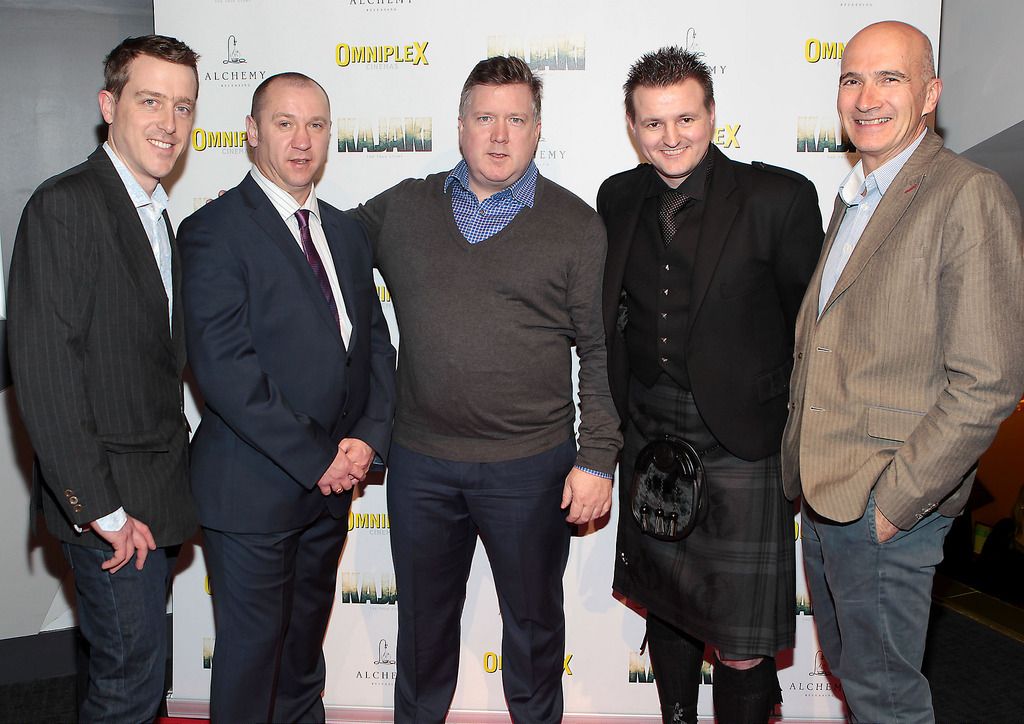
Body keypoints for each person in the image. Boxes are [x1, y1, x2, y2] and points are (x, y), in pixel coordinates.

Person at [351, 56, 621, 723]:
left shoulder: (575, 225)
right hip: (420, 464)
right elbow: (312, 249)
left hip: (531, 468)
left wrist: (597, 459)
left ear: (537, 130)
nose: (499, 136)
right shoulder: (400, 209)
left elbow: (600, 350)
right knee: (421, 637)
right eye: (484, 118)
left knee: (532, 635)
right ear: (462, 124)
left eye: (516, 120)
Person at [782, 20, 1024, 724]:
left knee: (887, 702)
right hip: (827, 495)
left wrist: (895, 504)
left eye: (890, 77)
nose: (866, 96)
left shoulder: (967, 195)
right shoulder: (857, 195)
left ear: (930, 94)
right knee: (861, 686)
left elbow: (989, 381)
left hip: (886, 504)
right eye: (851, 78)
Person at [599, 47, 823, 723]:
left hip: (740, 439)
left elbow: (806, 326)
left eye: (686, 118)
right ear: (633, 126)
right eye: (653, 123)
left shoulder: (777, 198)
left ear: (713, 115)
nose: (671, 137)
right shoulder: (616, 197)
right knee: (667, 605)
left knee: (742, 639)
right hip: (647, 433)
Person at [177, 72, 396, 723]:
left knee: (302, 661)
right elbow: (224, 370)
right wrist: (318, 456)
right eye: (284, 123)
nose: (301, 140)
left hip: (329, 491)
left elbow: (374, 347)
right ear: (251, 132)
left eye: (316, 125)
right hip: (252, 492)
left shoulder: (348, 232)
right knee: (251, 669)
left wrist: (367, 436)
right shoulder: (213, 231)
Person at [7, 35, 200, 723]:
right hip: (113, 514)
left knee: (120, 675)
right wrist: (105, 513)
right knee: (130, 689)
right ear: (108, 104)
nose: (169, 124)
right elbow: (46, 374)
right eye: (151, 101)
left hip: (148, 499)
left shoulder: (155, 215)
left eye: (182, 106)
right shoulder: (66, 207)